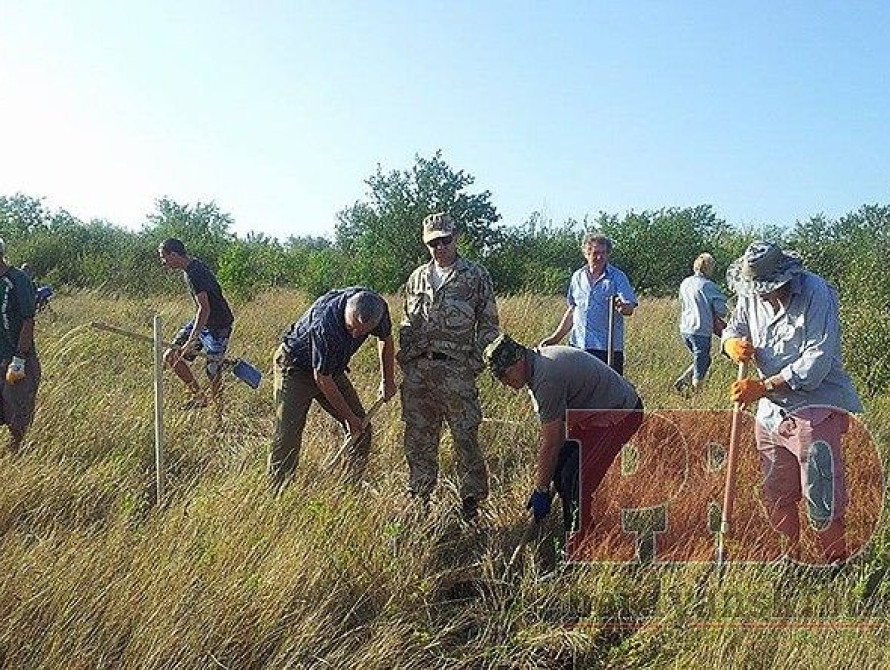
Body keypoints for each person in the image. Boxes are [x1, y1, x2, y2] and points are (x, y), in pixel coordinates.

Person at [722, 240, 862, 563]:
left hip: (815, 408)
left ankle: (836, 566)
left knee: (822, 499)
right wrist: (731, 345)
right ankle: (789, 562)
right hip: (771, 413)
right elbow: (734, 328)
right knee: (777, 494)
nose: (759, 295)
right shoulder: (750, 292)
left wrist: (764, 386)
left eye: (766, 288)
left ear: (783, 277)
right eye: (755, 288)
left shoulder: (816, 292)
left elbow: (817, 360)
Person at [483, 333, 643, 536]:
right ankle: (577, 532)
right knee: (560, 471)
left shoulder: (546, 378)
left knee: (576, 480)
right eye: (500, 379)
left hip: (620, 414)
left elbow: (551, 444)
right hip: (593, 417)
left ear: (518, 361)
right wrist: (548, 478)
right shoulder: (537, 366)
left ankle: (583, 543)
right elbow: (558, 436)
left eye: (505, 375)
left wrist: (541, 490)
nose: (506, 383)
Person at [398, 212, 500, 519]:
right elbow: (406, 322)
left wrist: (473, 365)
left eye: (445, 240)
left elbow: (489, 327)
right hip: (419, 373)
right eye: (434, 243)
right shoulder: (417, 278)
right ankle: (420, 502)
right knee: (419, 440)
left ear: (456, 238)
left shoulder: (476, 276)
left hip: (457, 372)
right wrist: (408, 359)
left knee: (465, 438)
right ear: (426, 244)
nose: (440, 247)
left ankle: (470, 507)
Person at [270, 287, 396, 489]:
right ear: (347, 310)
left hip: (332, 368)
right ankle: (278, 491)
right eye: (351, 328)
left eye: (362, 332)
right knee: (287, 436)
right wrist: (349, 418)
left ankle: (347, 488)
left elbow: (386, 340)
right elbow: (322, 379)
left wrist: (387, 380)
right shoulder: (325, 323)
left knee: (362, 430)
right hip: (295, 369)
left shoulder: (378, 308)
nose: (355, 335)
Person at [540, 232, 637, 375]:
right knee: (577, 387)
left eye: (604, 253)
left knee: (608, 388)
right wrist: (555, 338)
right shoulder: (577, 277)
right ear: (586, 254)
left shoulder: (617, 277)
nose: (600, 257)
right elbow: (573, 311)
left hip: (606, 350)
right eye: (596, 253)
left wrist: (623, 307)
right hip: (578, 347)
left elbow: (629, 308)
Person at [158, 238, 235, 409]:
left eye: (164, 257)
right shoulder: (190, 267)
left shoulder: (195, 273)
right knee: (172, 356)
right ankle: (200, 398)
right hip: (203, 321)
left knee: (213, 370)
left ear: (174, 254)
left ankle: (218, 415)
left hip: (219, 325)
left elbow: (204, 308)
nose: (164, 262)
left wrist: (191, 341)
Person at [0, 239, 41, 454]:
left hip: (15, 358)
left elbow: (28, 319)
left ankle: (18, 454)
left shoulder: (17, 280)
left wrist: (19, 358)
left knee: (17, 411)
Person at [673, 252, 728, 396]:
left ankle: (684, 380)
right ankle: (697, 394)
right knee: (701, 364)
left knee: (704, 360)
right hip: (701, 330)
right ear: (709, 268)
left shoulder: (685, 282)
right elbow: (721, 311)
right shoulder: (709, 286)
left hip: (685, 329)